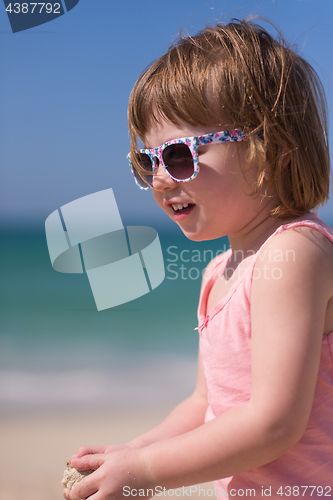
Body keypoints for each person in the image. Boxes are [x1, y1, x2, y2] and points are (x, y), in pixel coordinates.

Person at [64, 19, 333, 500]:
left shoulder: (295, 252)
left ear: (271, 150)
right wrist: (131, 454)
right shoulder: (216, 273)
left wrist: (148, 469)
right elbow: (204, 404)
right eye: (147, 162)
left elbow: (274, 423)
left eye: (181, 156)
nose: (162, 180)